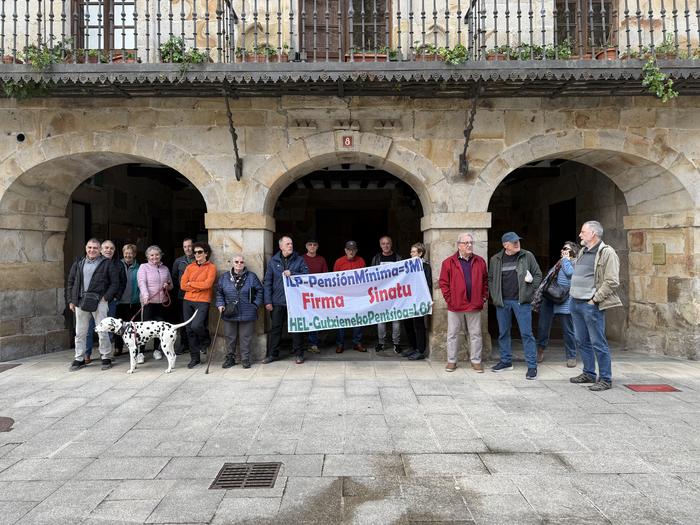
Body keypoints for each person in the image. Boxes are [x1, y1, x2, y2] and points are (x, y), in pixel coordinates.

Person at [569, 221, 622, 391]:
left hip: (590, 304)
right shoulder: (583, 251)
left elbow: (612, 281)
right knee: (581, 340)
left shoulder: (607, 253)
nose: (580, 235)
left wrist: (595, 299)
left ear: (593, 234)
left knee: (598, 342)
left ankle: (605, 378)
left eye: (583, 232)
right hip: (575, 302)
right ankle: (589, 373)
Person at [488, 232, 542, 379]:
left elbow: (538, 275)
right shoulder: (495, 259)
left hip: (521, 301)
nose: (517, 243)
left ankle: (532, 366)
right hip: (502, 302)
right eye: (514, 242)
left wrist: (530, 290)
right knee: (503, 333)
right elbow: (491, 278)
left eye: (518, 240)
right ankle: (506, 362)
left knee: (526, 333)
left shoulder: (527, 256)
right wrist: (494, 295)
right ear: (505, 245)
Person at [66, 238, 120, 371]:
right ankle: (79, 358)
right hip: (80, 302)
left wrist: (106, 298)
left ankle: (106, 357)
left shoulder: (107, 263)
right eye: (90, 247)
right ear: (86, 248)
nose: (92, 250)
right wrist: (71, 300)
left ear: (99, 250)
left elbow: (115, 283)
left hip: (99, 302)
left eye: (95, 248)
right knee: (80, 332)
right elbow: (71, 283)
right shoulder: (78, 263)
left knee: (103, 331)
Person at [438, 233, 488, 372]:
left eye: (471, 242)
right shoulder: (448, 262)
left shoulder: (480, 261)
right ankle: (451, 361)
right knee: (452, 334)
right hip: (455, 305)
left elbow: (485, 281)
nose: (469, 245)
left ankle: (476, 361)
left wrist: (483, 297)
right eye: (466, 243)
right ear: (458, 245)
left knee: (476, 334)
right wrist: (450, 299)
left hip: (474, 304)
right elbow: (443, 283)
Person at [263, 236, 309, 364]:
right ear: (281, 246)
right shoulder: (273, 262)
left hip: (295, 302)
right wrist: (267, 301)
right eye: (287, 244)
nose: (290, 246)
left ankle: (298, 354)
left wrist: (293, 273)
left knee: (296, 328)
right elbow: (267, 282)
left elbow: (307, 276)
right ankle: (273, 354)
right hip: (277, 301)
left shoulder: (299, 260)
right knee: (276, 328)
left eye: (291, 243)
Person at [535, 241, 580, 368]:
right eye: (563, 248)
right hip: (550, 298)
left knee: (568, 330)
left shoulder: (575, 262)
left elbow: (570, 274)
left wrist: (565, 259)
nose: (563, 250)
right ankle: (540, 350)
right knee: (543, 326)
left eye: (567, 249)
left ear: (573, 252)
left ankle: (571, 356)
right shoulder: (560, 262)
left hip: (564, 300)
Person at [215, 254, 264, 369]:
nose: (239, 264)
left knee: (245, 337)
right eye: (236, 262)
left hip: (248, 312)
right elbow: (219, 293)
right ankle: (230, 358)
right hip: (229, 311)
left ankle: (245, 359)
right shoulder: (225, 277)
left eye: (241, 262)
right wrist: (220, 304)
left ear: (244, 263)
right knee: (230, 337)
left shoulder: (252, 277)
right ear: (232, 263)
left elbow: (260, 291)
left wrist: (255, 305)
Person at [85, 239, 126, 363]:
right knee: (89, 327)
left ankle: (106, 354)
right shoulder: (94, 263)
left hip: (110, 301)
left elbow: (122, 282)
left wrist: (116, 297)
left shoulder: (118, 264)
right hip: (93, 301)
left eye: (111, 248)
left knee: (108, 328)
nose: (109, 250)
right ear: (101, 250)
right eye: (106, 248)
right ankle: (87, 354)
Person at [180, 241, 217, 369]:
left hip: (203, 300)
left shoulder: (211, 267)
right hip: (188, 300)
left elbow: (208, 284)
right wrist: (195, 287)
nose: (197, 254)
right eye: (195, 252)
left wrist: (192, 284)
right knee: (189, 329)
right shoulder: (189, 267)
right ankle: (194, 358)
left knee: (197, 325)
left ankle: (205, 340)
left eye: (200, 252)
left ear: (206, 253)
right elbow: (183, 285)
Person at [136, 245, 173, 364]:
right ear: (147, 256)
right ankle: (140, 352)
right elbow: (142, 283)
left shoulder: (165, 269)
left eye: (157, 254)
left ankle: (157, 350)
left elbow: (171, 285)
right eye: (151, 255)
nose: (154, 257)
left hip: (161, 302)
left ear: (160, 255)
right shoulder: (143, 267)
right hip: (148, 302)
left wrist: (167, 286)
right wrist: (146, 296)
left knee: (160, 328)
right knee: (144, 329)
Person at [332, 240, 366, 353]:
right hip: (343, 297)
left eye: (353, 250)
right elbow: (333, 280)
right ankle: (340, 344)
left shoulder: (361, 261)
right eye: (349, 250)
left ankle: (357, 343)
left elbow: (366, 278)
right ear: (345, 250)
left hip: (357, 296)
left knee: (358, 319)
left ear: (356, 250)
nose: (351, 252)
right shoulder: (339, 262)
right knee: (341, 321)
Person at [401, 242, 433, 360]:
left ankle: (420, 349)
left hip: (419, 300)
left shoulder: (425, 267)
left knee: (418, 324)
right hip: (407, 299)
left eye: (414, 252)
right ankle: (412, 346)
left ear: (420, 253)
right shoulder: (407, 266)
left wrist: (428, 299)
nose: (411, 254)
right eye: (411, 252)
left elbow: (428, 284)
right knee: (407, 323)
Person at [371, 235, 402, 352]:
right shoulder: (376, 259)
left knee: (396, 321)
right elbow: (371, 276)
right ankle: (381, 342)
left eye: (388, 243)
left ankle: (397, 343)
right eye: (383, 243)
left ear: (391, 244)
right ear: (380, 245)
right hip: (381, 294)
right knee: (381, 320)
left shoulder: (398, 258)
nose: (386, 245)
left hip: (396, 294)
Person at [114, 244, 140, 357]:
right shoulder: (117, 265)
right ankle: (118, 347)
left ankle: (134, 348)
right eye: (126, 252)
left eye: (131, 253)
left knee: (133, 327)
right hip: (119, 302)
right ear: (123, 253)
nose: (128, 255)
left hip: (133, 302)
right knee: (118, 327)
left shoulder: (139, 268)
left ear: (134, 254)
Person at [303, 239, 328, 353]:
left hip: (317, 294)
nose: (312, 247)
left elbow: (325, 276)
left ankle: (313, 343)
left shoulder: (321, 259)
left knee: (314, 318)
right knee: (302, 318)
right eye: (310, 245)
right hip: (302, 293)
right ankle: (300, 344)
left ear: (317, 247)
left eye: (314, 245)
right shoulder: (301, 259)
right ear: (306, 246)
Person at [171, 238, 195, 355]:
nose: (187, 249)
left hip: (197, 296)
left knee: (197, 321)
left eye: (189, 246)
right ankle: (184, 344)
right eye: (185, 247)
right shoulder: (178, 261)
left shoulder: (198, 259)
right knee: (183, 321)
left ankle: (196, 344)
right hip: (182, 296)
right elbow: (174, 278)